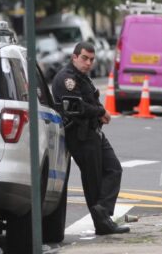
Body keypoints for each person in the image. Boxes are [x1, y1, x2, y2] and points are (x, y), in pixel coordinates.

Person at [52, 41, 130, 234]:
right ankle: (102, 224)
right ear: (75, 57)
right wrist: (101, 111)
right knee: (92, 181)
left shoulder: (83, 77)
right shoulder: (66, 79)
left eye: (92, 59)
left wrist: (98, 113)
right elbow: (78, 107)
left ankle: (102, 211)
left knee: (114, 169)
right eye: (84, 58)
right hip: (80, 135)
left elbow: (88, 102)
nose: (88, 63)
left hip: (94, 133)